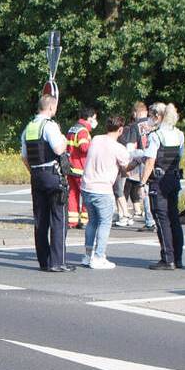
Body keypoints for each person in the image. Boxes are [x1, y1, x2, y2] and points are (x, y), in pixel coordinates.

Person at [134, 102, 185, 269]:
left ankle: (167, 258)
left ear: (158, 117)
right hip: (174, 179)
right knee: (174, 218)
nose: (150, 119)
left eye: (151, 116)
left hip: (159, 180)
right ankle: (177, 258)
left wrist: (142, 182)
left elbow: (150, 161)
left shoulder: (155, 135)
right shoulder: (179, 134)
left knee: (162, 218)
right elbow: (180, 155)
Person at [22, 92, 71, 272]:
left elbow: (24, 157)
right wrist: (64, 140)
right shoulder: (50, 126)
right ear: (51, 107)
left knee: (40, 219)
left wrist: (34, 171)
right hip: (52, 174)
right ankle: (58, 262)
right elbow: (58, 149)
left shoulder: (29, 127)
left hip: (36, 175)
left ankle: (44, 261)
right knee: (59, 218)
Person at [80, 114, 130, 268]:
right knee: (105, 223)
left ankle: (88, 255)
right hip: (103, 190)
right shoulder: (118, 148)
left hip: (87, 186)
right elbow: (126, 167)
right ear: (120, 130)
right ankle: (99, 256)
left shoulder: (95, 139)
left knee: (92, 222)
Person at [119, 101, 151, 229]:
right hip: (155, 159)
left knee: (145, 190)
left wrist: (129, 162)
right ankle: (154, 217)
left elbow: (130, 147)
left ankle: (150, 221)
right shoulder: (153, 123)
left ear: (135, 113)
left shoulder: (135, 126)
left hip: (142, 159)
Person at [64, 105, 95, 231]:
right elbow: (84, 148)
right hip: (81, 168)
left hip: (71, 168)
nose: (95, 121)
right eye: (94, 118)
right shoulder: (83, 131)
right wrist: (94, 147)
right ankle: (84, 221)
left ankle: (72, 221)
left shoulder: (73, 129)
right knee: (86, 195)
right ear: (88, 118)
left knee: (72, 194)